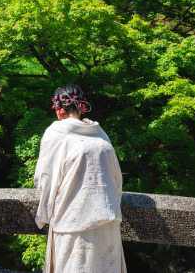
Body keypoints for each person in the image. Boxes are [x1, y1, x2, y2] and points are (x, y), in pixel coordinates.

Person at [34, 84, 126, 273]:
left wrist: (43, 215)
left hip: (73, 223)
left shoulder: (55, 132)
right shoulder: (100, 134)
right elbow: (117, 179)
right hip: (108, 220)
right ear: (82, 106)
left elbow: (45, 177)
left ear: (59, 109)